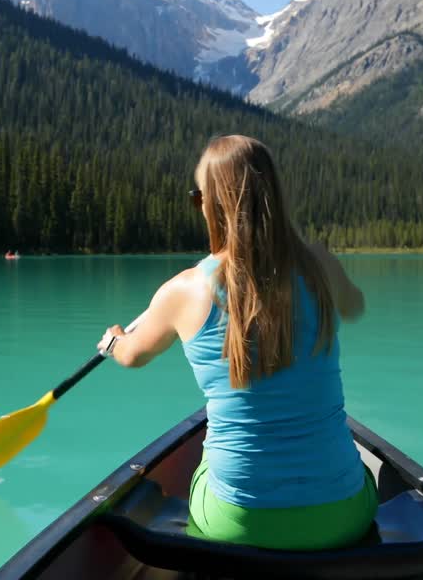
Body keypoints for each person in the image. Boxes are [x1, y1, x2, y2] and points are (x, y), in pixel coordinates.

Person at [96, 134, 374, 551]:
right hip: (343, 515)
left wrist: (114, 341)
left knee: (205, 460)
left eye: (199, 197)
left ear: (214, 205)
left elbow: (132, 356)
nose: (198, 206)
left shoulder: (185, 290)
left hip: (239, 522)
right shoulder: (319, 267)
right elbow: (355, 307)